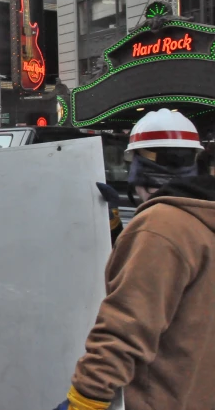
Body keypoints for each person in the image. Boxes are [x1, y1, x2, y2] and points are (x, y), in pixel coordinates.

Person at [55, 109, 215, 410]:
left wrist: (85, 400)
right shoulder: (201, 217)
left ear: (139, 167)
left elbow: (125, 328)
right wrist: (115, 230)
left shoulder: (161, 227)